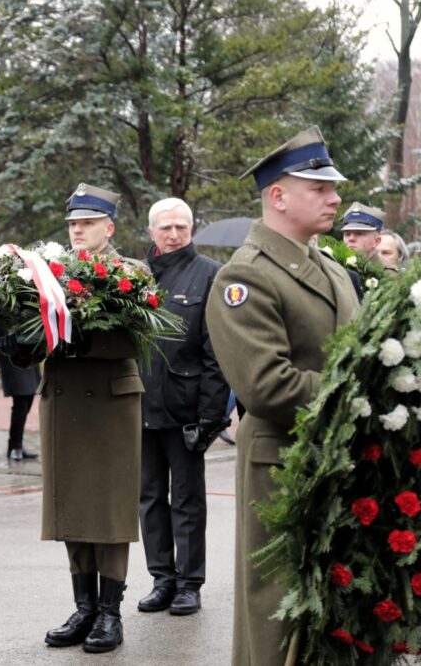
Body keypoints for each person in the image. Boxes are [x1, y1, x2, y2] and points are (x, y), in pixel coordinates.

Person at [206, 125, 357, 666]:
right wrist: (364, 389)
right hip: (283, 466)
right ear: (278, 195)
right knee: (280, 611)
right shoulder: (245, 276)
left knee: (338, 608)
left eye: (332, 188)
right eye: (320, 188)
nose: (335, 197)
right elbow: (267, 386)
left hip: (337, 460)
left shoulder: (332, 269)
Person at [43, 183, 143, 654]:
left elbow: (137, 339)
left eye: (86, 222)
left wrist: (79, 339)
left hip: (109, 403)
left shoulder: (132, 273)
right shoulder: (48, 274)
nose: (77, 230)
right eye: (72, 223)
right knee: (73, 506)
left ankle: (109, 612)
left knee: (109, 508)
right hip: (65, 403)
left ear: (110, 227)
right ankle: (83, 608)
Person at [137, 198, 230, 617]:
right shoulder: (135, 276)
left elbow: (216, 352)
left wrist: (211, 415)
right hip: (140, 404)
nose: (173, 234)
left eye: (181, 227)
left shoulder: (210, 275)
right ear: (151, 231)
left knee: (187, 498)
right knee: (150, 496)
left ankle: (190, 582)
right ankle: (162, 578)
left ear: (191, 229)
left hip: (186, 407)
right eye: (165, 228)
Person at [0, 345, 40, 461]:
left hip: (30, 357)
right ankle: (15, 446)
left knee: (27, 401)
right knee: (21, 404)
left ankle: (17, 444)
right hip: (15, 358)